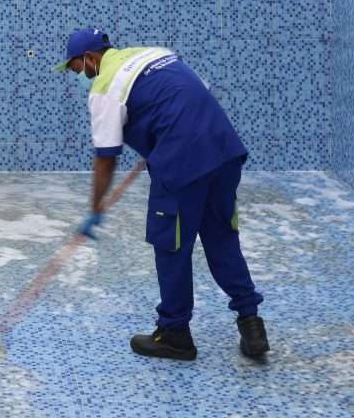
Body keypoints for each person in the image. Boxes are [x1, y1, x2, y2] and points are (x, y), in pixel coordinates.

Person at [56, 27, 269, 362]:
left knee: (171, 245)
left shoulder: (104, 87)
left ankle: (174, 334)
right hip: (224, 150)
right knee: (222, 238)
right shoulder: (156, 54)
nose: (79, 76)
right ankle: (252, 325)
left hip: (181, 161)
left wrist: (95, 207)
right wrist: (163, 129)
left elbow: (106, 157)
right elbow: (197, 93)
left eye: (77, 68)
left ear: (90, 58)